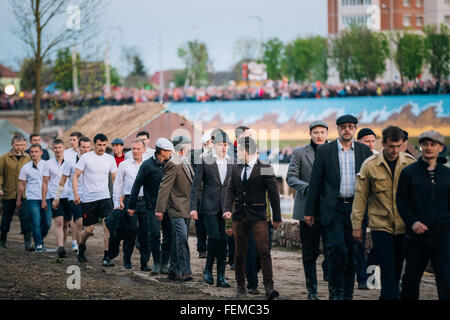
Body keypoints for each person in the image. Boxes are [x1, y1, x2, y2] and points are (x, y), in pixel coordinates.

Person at [304, 114, 372, 300]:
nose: (347, 129)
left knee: (352, 252)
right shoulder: (326, 151)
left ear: (355, 129)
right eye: (343, 127)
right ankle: (336, 291)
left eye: (351, 126)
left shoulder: (364, 151)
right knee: (337, 249)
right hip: (333, 209)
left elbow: (371, 184)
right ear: (338, 129)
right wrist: (309, 211)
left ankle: (347, 293)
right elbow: (316, 182)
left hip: (356, 210)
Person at [352, 126, 415, 300]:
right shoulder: (370, 166)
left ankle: (387, 296)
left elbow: (418, 195)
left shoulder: (410, 164)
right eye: (391, 146)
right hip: (380, 225)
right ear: (383, 143)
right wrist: (357, 225)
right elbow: (360, 198)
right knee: (387, 266)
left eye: (398, 146)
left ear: (402, 144)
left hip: (403, 225)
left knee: (397, 266)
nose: (394, 150)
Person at [223, 136, 282, 300]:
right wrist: (227, 209)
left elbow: (274, 195)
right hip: (239, 216)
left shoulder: (265, 167)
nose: (237, 153)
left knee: (264, 250)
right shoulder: (236, 168)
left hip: (258, 216)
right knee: (239, 252)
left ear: (245, 151)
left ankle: (269, 287)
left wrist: (277, 217)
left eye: (239, 150)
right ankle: (241, 285)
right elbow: (230, 190)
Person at [397, 130, 450, 300]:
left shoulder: (447, 174)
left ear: (440, 147)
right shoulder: (409, 172)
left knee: (446, 280)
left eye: (432, 144)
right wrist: (413, 222)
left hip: (443, 235)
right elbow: (402, 202)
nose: (428, 148)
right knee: (410, 281)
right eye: (425, 144)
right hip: (417, 235)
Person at [286, 120, 329, 300]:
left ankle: (334, 286)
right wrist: (309, 188)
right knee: (309, 252)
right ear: (310, 134)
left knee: (333, 250)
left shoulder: (335, 151)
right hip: (307, 209)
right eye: (315, 132)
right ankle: (312, 289)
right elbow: (291, 178)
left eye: (322, 132)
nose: (319, 135)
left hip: (330, 210)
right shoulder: (300, 153)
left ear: (327, 133)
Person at [190, 131, 232, 288]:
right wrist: (193, 208)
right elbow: (195, 186)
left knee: (223, 240)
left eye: (226, 145)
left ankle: (221, 275)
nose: (223, 147)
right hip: (208, 207)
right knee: (214, 237)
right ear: (214, 144)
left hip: (225, 208)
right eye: (221, 144)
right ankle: (208, 269)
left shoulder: (232, 162)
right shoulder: (204, 160)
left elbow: (232, 187)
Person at [128, 138, 174, 273]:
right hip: (151, 206)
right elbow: (137, 185)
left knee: (168, 235)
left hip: (168, 206)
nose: (171, 153)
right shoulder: (147, 165)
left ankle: (165, 263)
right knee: (153, 234)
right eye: (168, 151)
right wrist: (131, 205)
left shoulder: (171, 164)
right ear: (161, 152)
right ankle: (156, 263)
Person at [73, 133, 117, 266]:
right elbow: (75, 176)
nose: (102, 147)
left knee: (107, 227)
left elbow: (115, 178)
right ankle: (81, 246)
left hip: (104, 197)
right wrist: (76, 194)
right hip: (89, 199)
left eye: (104, 145)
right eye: (99, 145)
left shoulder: (110, 159)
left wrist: (117, 196)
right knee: (89, 230)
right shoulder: (86, 158)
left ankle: (106, 257)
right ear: (94, 145)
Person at [155, 135, 194, 282]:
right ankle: (184, 271)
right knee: (182, 238)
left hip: (186, 207)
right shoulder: (173, 163)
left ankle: (173, 270)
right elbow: (164, 187)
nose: (188, 148)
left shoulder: (183, 161)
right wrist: (160, 209)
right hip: (175, 208)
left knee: (179, 239)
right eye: (186, 145)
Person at [112, 139, 147, 269]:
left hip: (144, 201)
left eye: (138, 149)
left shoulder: (148, 164)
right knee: (130, 231)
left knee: (145, 232)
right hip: (128, 201)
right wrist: (117, 203)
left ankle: (144, 263)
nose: (135, 151)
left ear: (144, 150)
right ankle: (127, 259)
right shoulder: (124, 165)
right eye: (133, 149)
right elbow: (118, 185)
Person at [53, 136, 91, 253]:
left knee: (89, 227)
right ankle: (80, 249)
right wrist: (57, 197)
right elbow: (62, 181)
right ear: (78, 147)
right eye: (83, 147)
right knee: (78, 222)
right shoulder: (69, 162)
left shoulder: (93, 161)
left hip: (90, 197)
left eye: (88, 147)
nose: (85, 149)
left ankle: (82, 244)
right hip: (73, 196)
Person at [0, 135, 33, 250]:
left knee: (25, 218)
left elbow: (31, 174)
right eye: (17, 145)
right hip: (9, 192)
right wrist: (0, 187)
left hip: (24, 194)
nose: (19, 147)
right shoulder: (4, 158)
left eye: (21, 145)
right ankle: (3, 239)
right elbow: (0, 175)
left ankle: (27, 242)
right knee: (6, 218)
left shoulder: (28, 158)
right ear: (12, 145)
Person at [16, 144, 51, 252]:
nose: (33, 154)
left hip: (47, 197)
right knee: (35, 222)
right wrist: (19, 199)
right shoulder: (26, 167)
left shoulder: (47, 165)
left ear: (41, 152)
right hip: (32, 198)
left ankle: (38, 237)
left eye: (36, 152)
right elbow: (21, 184)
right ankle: (39, 244)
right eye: (32, 152)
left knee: (47, 223)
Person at [41, 139, 71, 258]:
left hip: (68, 196)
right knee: (59, 221)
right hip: (54, 196)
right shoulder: (48, 164)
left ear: (63, 148)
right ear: (52, 149)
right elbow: (44, 182)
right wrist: (44, 199)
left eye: (60, 147)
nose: (58, 150)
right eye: (55, 148)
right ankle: (60, 247)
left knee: (66, 223)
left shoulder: (69, 162)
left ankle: (63, 245)